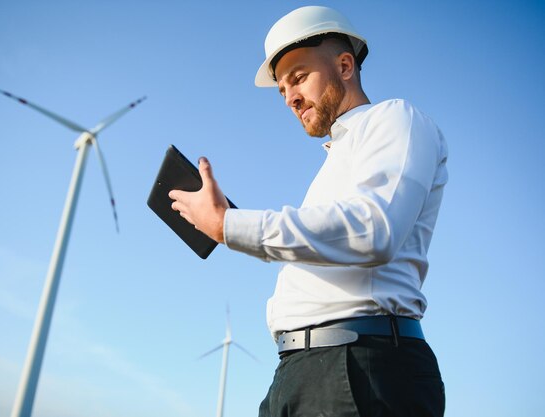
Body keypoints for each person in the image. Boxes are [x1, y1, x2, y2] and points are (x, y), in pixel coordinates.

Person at [169, 5, 447, 417]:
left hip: (358, 368)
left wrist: (229, 225)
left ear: (345, 64)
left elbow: (374, 229)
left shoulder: (395, 119)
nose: (290, 98)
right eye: (282, 90)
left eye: (298, 78)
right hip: (300, 371)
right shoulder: (332, 164)